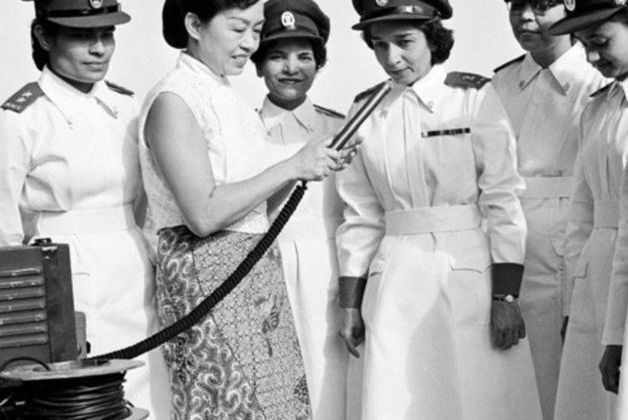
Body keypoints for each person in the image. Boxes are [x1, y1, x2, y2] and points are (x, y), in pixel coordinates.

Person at [140, 0, 356, 417]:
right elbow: (203, 214)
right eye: (238, 29)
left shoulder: (226, 94)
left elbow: (253, 210)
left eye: (256, 31)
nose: (249, 44)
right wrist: (291, 165)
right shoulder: (174, 98)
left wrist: (309, 166)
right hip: (206, 278)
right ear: (194, 24)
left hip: (253, 275)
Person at [336, 0, 543, 419]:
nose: (391, 59)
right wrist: (350, 304)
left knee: (475, 398)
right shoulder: (365, 112)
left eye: (404, 42)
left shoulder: (471, 97)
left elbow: (502, 197)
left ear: (432, 36)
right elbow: (361, 215)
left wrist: (505, 293)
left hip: (466, 275)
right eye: (379, 45)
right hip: (394, 282)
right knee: (398, 401)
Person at [0, 0, 170, 417]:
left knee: (148, 391)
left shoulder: (128, 109)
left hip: (134, 267)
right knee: (86, 402)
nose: (99, 49)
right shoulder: (21, 120)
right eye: (82, 35)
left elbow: (150, 201)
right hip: (65, 276)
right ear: (45, 36)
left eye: (107, 34)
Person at [491, 1, 606, 419]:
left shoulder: (598, 79)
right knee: (510, 387)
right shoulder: (499, 84)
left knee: (568, 386)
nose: (525, 18)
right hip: (505, 250)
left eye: (540, 6)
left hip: (569, 249)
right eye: (517, 5)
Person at [249, 0, 349, 418]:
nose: (291, 67)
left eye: (304, 56)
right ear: (257, 65)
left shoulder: (342, 128)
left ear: (319, 63)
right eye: (277, 56)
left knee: (332, 386)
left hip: (328, 271)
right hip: (264, 272)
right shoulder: (243, 129)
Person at [548, 2, 628, 418]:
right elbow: (581, 214)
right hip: (594, 283)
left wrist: (616, 336)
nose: (593, 58)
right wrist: (571, 307)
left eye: (602, 41)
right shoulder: (598, 108)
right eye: (583, 45)